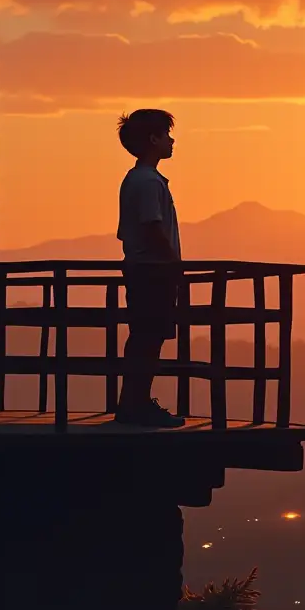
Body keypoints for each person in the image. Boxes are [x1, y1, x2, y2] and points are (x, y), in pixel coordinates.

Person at [114, 108, 187, 426]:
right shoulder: (147, 182)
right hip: (152, 271)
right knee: (148, 338)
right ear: (153, 139)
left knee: (144, 337)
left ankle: (133, 403)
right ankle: (136, 406)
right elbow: (152, 227)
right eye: (166, 135)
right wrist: (174, 263)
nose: (172, 141)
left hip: (143, 268)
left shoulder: (139, 179)